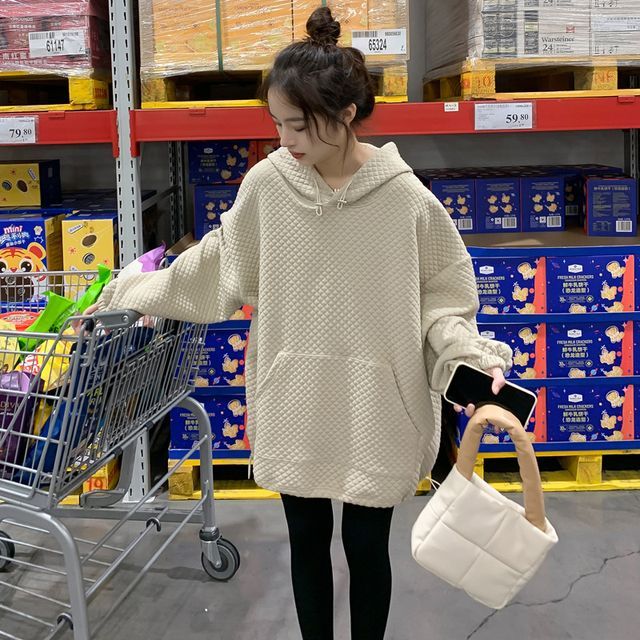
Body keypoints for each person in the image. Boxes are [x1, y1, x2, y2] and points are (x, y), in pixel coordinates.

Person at [95, 7, 512, 639]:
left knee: (367, 549)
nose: (285, 139)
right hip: (295, 401)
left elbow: (444, 300)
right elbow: (217, 264)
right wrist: (128, 290)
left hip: (380, 407)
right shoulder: (268, 186)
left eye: (299, 125)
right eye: (277, 123)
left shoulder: (406, 200)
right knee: (306, 541)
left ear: (346, 114)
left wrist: (466, 355)